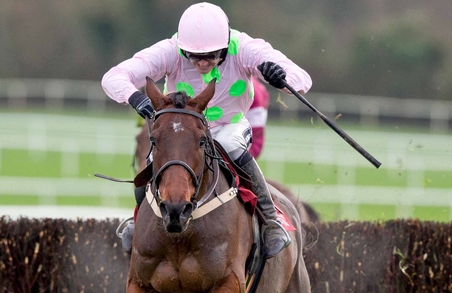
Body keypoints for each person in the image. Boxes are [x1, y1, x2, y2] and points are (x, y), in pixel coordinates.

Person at [101, 2, 312, 258]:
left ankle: (270, 222)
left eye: (211, 56)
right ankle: (139, 220)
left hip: (228, 126)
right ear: (182, 48)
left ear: (225, 46)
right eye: (194, 56)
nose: (202, 63)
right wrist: (134, 97)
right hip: (183, 130)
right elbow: (113, 77)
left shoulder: (245, 48)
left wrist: (281, 77)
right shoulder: (170, 50)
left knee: (232, 145)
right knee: (151, 159)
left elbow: (302, 80)